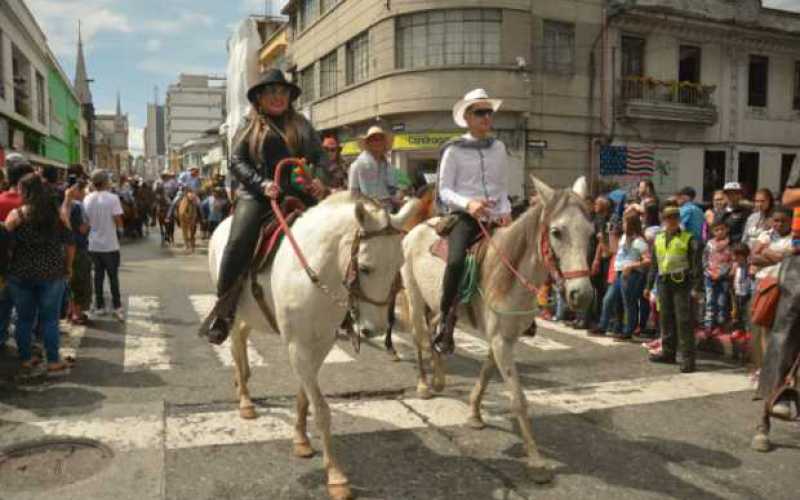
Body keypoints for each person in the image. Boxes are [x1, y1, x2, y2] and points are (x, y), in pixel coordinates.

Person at [203, 69, 323, 344]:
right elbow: (236, 161)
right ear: (259, 98)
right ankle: (224, 312)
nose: (277, 97)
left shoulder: (303, 125)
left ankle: (346, 307)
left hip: (299, 193)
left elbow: (322, 157)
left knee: (340, 230)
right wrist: (262, 183)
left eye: (282, 92)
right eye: (271, 92)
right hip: (258, 197)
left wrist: (320, 181)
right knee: (237, 241)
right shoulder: (251, 127)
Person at [432, 88, 512, 355]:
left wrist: (505, 209)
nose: (487, 117)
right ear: (467, 117)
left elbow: (501, 186)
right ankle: (445, 318)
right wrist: (470, 204)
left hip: (496, 216)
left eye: (489, 112)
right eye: (480, 112)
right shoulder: (453, 150)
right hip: (465, 216)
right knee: (455, 261)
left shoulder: (499, 147)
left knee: (524, 250)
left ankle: (523, 312)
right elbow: (444, 190)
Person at [3, 174, 75, 374]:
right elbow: (70, 243)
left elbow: (4, 241)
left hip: (20, 274)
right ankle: (53, 360)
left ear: (25, 191)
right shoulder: (57, 215)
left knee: (24, 319)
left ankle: (26, 358)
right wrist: (69, 267)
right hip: (52, 274)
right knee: (50, 319)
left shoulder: (17, 215)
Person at [648, 205, 702, 373]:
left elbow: (696, 265)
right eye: (667, 218)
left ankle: (688, 359)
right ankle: (668, 352)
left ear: (678, 219)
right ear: (663, 220)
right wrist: (648, 285)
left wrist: (696, 287)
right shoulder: (658, 239)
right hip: (664, 282)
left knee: (684, 321)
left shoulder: (689, 238)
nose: (671, 221)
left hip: (682, 282)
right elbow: (654, 265)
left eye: (674, 217)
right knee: (666, 319)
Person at [750, 206, 794, 370]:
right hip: (764, 286)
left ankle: (781, 370)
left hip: (787, 288)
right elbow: (753, 258)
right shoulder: (765, 235)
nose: (779, 224)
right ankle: (764, 369)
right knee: (763, 327)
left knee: (783, 330)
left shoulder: (794, 237)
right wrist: (778, 257)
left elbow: (792, 260)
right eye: (776, 220)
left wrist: (767, 253)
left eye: (784, 221)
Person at [0, 154, 35, 352]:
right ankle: (26, 344)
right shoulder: (31, 205)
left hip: (2, 264)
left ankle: (2, 337)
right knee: (26, 311)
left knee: (3, 305)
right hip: (25, 264)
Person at [83, 170, 125, 322]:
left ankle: (99, 306)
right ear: (105, 182)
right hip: (110, 245)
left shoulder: (87, 199)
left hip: (93, 245)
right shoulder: (113, 198)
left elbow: (86, 222)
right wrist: (120, 231)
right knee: (113, 277)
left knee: (98, 277)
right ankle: (117, 306)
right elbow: (118, 219)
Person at [348, 125, 400, 209]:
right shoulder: (357, 165)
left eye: (380, 140)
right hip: (368, 211)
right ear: (368, 143)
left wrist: (396, 199)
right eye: (374, 140)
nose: (377, 142)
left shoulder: (388, 166)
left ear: (384, 143)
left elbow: (393, 189)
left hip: (388, 209)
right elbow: (353, 194)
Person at [67, 178, 92, 325]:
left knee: (69, 280)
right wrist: (89, 224)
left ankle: (70, 310)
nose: (84, 193)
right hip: (78, 247)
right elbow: (83, 228)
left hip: (64, 247)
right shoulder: (77, 206)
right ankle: (77, 312)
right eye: (82, 190)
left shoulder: (63, 204)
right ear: (76, 190)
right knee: (80, 280)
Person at [702, 220, 732, 335]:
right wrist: (707, 271)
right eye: (716, 230)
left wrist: (721, 274)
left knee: (721, 301)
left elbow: (730, 261)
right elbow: (704, 258)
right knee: (710, 300)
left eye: (722, 229)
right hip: (709, 276)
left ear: (726, 230)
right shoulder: (709, 244)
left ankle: (720, 324)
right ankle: (708, 325)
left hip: (722, 278)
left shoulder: (729, 244)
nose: (719, 232)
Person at [730, 243, 752, 337]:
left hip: (746, 293)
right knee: (736, 313)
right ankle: (738, 329)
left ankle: (748, 330)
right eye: (734, 255)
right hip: (736, 293)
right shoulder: (735, 266)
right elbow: (731, 276)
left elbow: (751, 278)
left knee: (746, 313)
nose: (735, 258)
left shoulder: (749, 266)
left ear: (744, 256)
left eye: (737, 256)